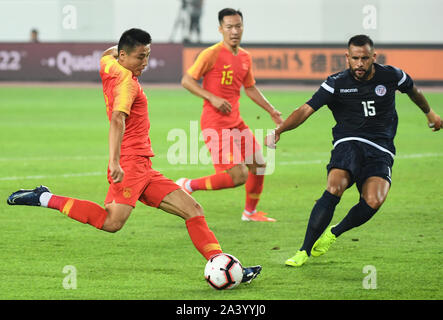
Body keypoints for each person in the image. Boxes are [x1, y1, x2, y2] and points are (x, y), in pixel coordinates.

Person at [7, 28, 261, 284]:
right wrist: (115, 161)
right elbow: (118, 119)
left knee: (193, 209)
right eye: (140, 57)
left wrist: (122, 52)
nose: (145, 63)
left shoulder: (109, 64)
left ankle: (226, 266)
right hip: (130, 165)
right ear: (124, 56)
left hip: (144, 166)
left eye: (148, 55)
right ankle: (45, 197)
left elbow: (107, 53)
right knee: (111, 222)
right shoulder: (127, 84)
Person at [265, 34, 442, 267]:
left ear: (373, 57)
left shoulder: (392, 75)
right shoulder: (336, 83)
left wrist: (430, 113)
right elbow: (306, 110)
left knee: (374, 201)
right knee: (335, 186)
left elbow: (413, 91)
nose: (360, 63)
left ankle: (334, 233)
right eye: (355, 58)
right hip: (348, 142)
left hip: (381, 148)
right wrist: (280, 130)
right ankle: (304, 250)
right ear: (347, 57)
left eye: (365, 58)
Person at [178, 8, 283, 222]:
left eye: (238, 26)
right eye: (229, 27)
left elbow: (250, 88)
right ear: (220, 29)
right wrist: (212, 98)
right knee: (239, 176)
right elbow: (187, 81)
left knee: (259, 165)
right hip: (215, 123)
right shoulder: (211, 54)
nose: (234, 31)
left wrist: (271, 110)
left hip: (236, 122)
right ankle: (188, 185)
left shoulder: (245, 57)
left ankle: (249, 213)